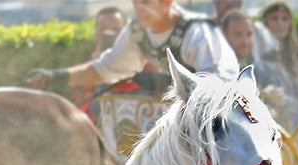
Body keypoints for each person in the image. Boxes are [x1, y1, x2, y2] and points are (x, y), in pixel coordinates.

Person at [24, 0, 239, 97]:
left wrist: (163, 83)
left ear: (167, 2)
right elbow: (103, 70)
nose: (139, 9)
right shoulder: (137, 31)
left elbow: (221, 85)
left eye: (146, 2)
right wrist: (53, 77)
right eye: (136, 2)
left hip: (223, 125)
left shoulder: (198, 32)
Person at [220, 9, 298, 127]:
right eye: (238, 35)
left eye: (249, 34)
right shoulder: (215, 71)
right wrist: (263, 105)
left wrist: (282, 102)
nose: (245, 41)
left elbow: (294, 104)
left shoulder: (266, 70)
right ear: (224, 35)